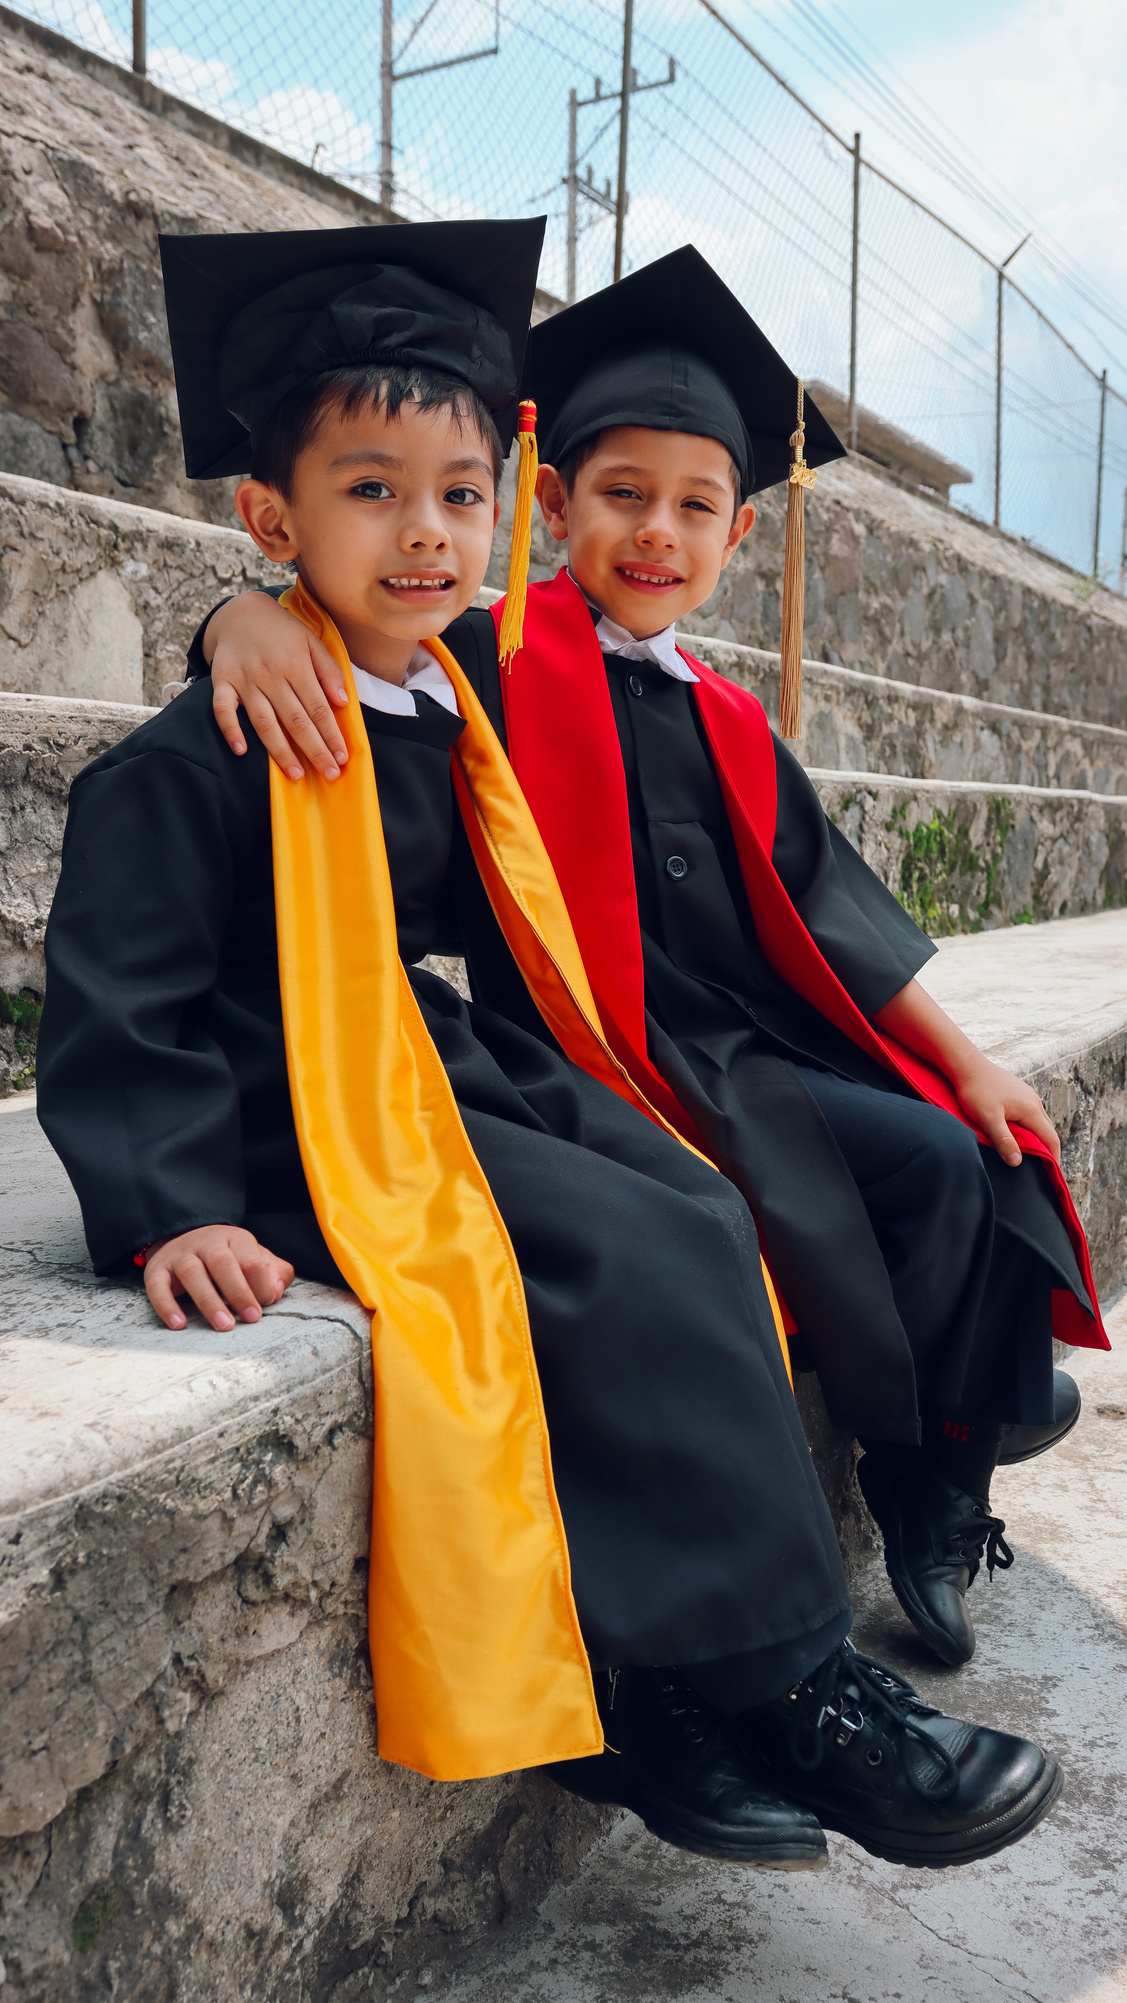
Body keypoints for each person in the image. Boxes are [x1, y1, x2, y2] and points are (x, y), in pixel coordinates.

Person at [187, 245, 1105, 1677]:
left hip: (760, 1040)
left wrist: (971, 1058)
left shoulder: (730, 717)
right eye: (622, 497)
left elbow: (839, 913)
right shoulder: (490, 654)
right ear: (554, 507)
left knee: (972, 1142)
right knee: (920, 1167)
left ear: (739, 533)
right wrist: (228, 617)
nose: (657, 534)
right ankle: (936, 1434)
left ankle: (947, 1470)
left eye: (694, 507)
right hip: (606, 1048)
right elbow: (345, 629)